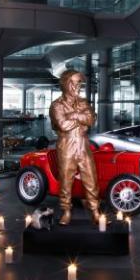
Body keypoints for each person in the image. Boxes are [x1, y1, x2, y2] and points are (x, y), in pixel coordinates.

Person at [49, 70, 99, 226]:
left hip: (83, 145)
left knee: (91, 179)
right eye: (76, 82)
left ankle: (95, 211)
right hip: (66, 146)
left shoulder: (84, 102)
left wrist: (74, 116)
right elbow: (63, 125)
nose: (79, 86)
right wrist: (80, 117)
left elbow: (91, 120)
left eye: (80, 83)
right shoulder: (56, 105)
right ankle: (66, 211)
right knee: (65, 180)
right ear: (66, 84)